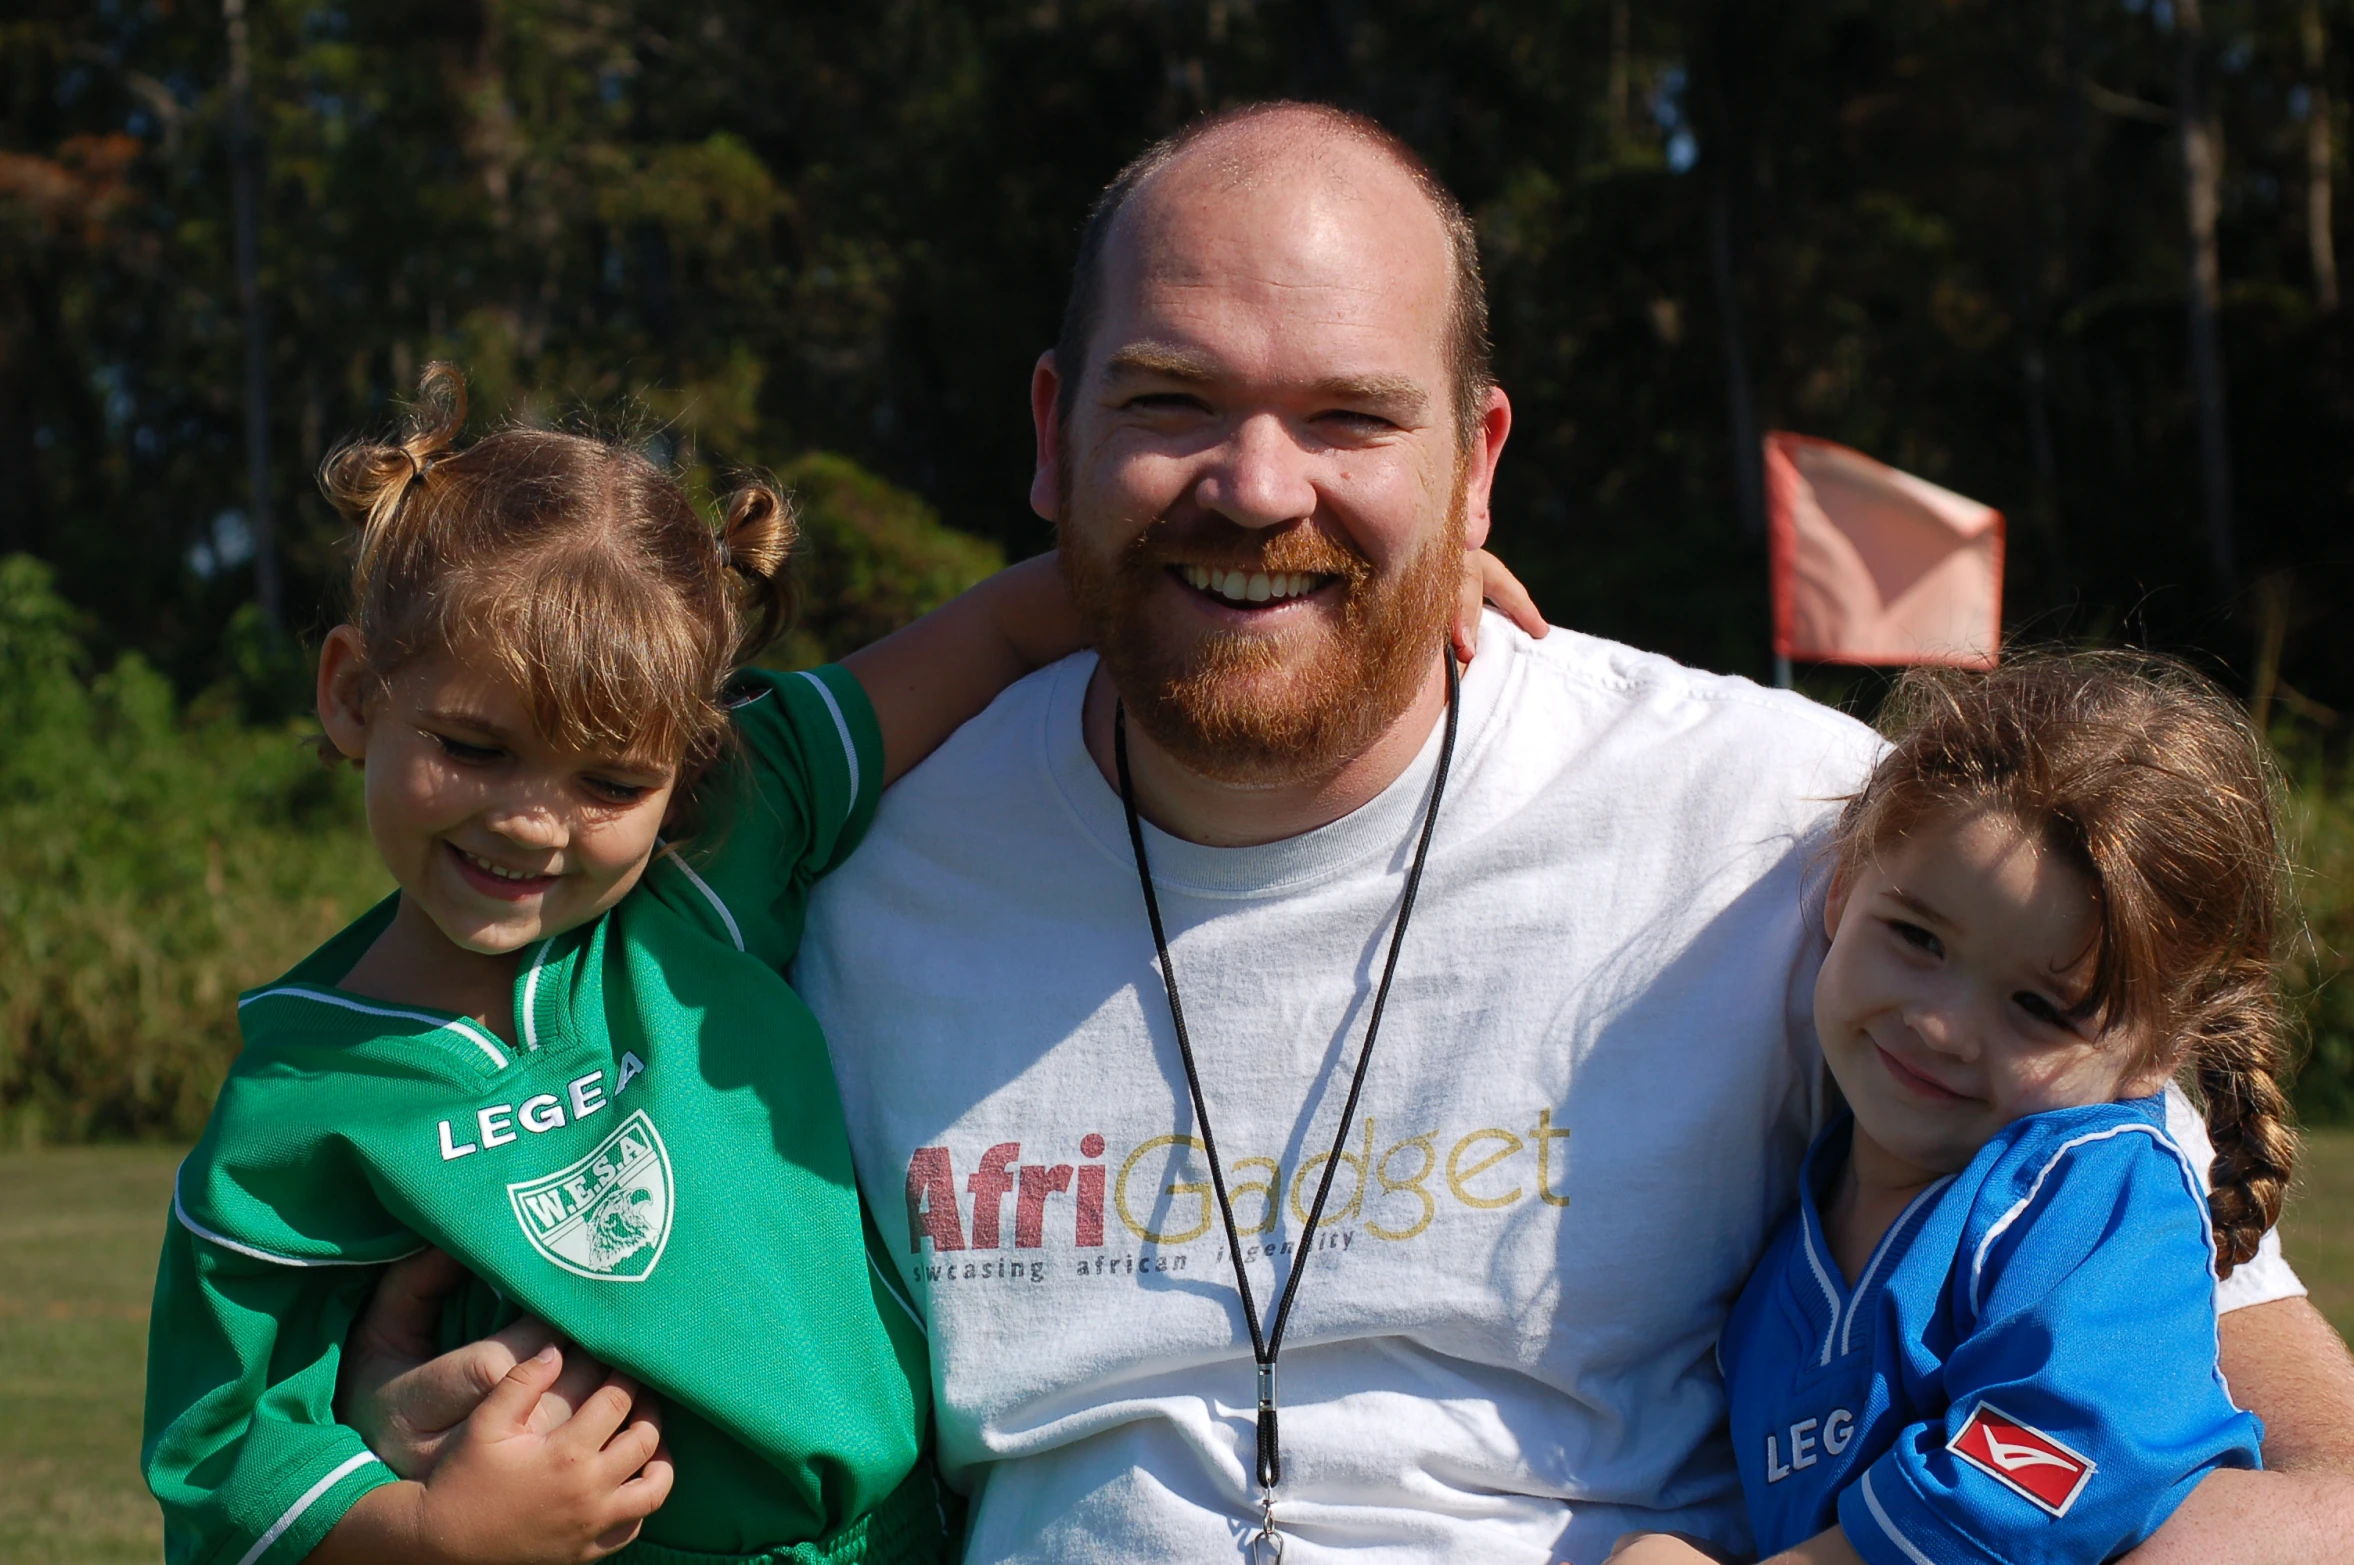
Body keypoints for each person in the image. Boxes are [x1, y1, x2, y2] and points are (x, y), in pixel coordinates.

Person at [343, 102, 2354, 1564]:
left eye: (1348, 419)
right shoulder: (832, 883)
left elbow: (2303, 1460)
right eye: (1172, 400)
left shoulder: (1811, 849)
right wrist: (428, 1444)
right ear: (1048, 438)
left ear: (1474, 459)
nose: (1254, 481)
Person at [141, 363, 1090, 1565]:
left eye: (609, 781)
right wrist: (438, 1532)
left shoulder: (708, 869)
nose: (535, 822)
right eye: (473, 745)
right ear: (350, 695)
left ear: (684, 772)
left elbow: (1001, 626)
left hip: (907, 1535)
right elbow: (227, 1470)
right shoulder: (295, 1109)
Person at [1613, 654, 2293, 1565]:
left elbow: (2053, 1461)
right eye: (1917, 937)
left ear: (2159, 1050)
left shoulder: (2095, 1195)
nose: (1940, 1025)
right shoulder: (1792, 1233)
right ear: (1846, 883)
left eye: (2039, 1008)